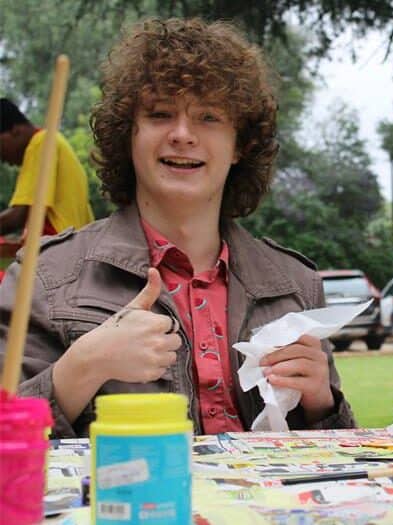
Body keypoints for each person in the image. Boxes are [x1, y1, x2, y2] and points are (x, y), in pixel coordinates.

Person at [0, 18, 356, 438]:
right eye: (160, 114)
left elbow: (346, 460)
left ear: (240, 145)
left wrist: (322, 403)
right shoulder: (43, 277)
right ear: (128, 136)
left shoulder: (296, 284)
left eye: (208, 117)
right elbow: (9, 446)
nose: (183, 134)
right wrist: (81, 368)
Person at [0, 98, 94, 235]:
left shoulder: (40, 143)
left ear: (15, 130)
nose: (2, 158)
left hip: (60, 242)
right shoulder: (53, 140)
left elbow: (18, 216)